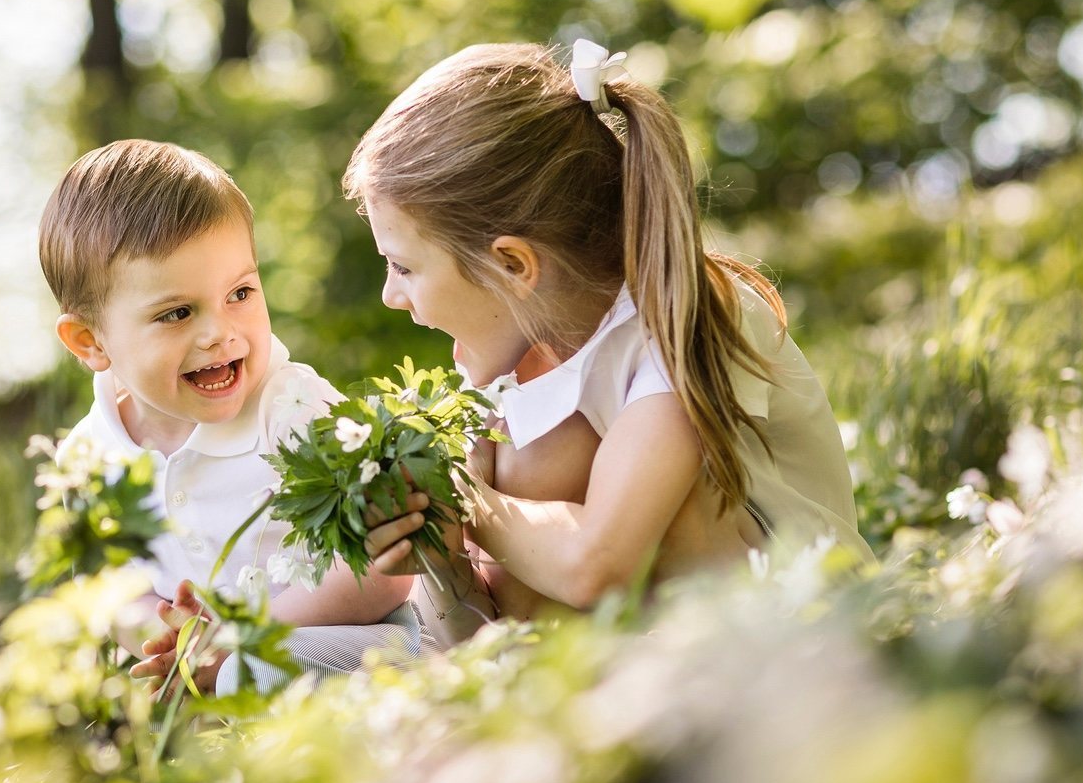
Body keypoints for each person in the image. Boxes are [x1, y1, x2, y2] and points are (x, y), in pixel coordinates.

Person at [345, 41, 874, 643]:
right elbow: (482, 633)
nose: (391, 295)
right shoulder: (519, 362)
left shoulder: (686, 311)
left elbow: (597, 564)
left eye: (405, 268)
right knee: (527, 468)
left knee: (553, 465)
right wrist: (441, 553)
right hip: (616, 662)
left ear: (514, 265)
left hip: (806, 634)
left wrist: (465, 502)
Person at [38, 139, 426, 692]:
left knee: (259, 670)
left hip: (356, 642)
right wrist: (177, 645)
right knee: (149, 703)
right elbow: (116, 589)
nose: (220, 331)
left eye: (240, 292)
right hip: (218, 669)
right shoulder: (89, 459)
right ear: (90, 341)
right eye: (177, 312)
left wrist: (245, 641)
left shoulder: (292, 408)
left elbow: (385, 570)